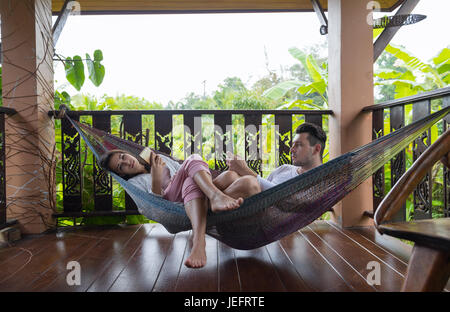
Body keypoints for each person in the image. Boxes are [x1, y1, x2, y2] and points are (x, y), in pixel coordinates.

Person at [99, 149, 260, 269]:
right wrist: (156, 179)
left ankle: (213, 200)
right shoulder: (135, 183)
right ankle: (206, 220)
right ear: (123, 174)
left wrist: (178, 174)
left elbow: (184, 170)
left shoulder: (159, 159)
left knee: (232, 178)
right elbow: (153, 207)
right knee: (193, 158)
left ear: (127, 152)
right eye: (121, 167)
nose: (126, 162)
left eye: (123, 156)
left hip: (192, 196)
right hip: (174, 203)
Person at [216, 122, 327, 192]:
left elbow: (284, 200)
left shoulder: (319, 183)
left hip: (263, 219)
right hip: (242, 207)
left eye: (298, 145)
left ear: (316, 149)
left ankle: (206, 210)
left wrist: (245, 170)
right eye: (292, 145)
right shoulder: (285, 168)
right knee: (230, 175)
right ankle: (207, 205)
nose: (291, 150)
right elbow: (261, 188)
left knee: (249, 183)